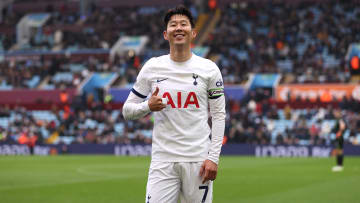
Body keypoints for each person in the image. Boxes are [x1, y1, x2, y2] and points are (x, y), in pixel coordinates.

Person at [122, 5, 226, 203]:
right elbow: (127, 111)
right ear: (165, 34)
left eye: (183, 24)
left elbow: (219, 114)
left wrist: (213, 158)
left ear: (193, 33)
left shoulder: (209, 69)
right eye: (173, 25)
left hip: (198, 161)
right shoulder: (152, 67)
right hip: (163, 160)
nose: (178, 28)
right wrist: (147, 106)